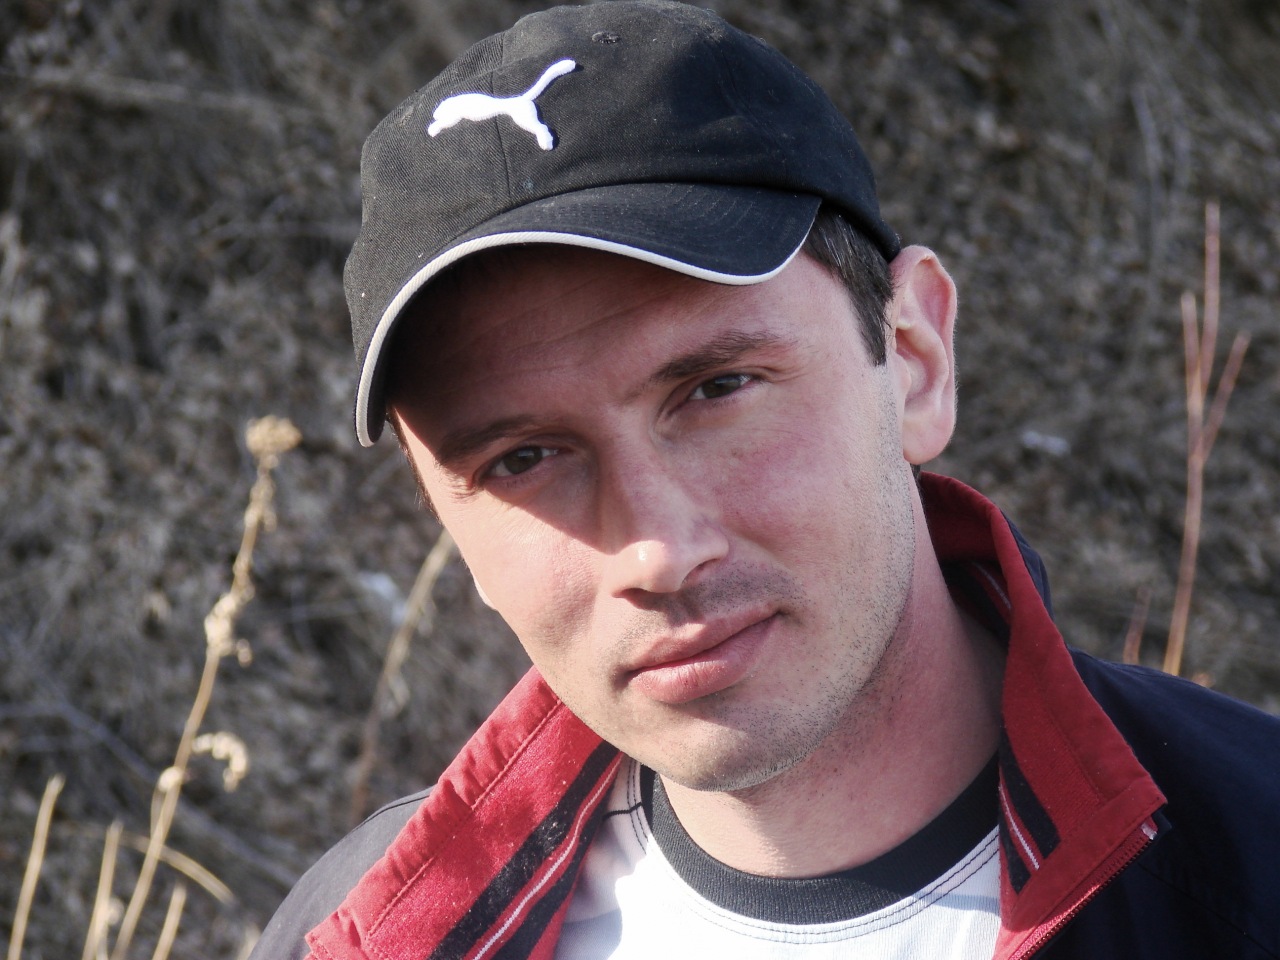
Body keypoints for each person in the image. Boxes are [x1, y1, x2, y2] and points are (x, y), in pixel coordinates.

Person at [251, 2, 1280, 958]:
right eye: (521, 458)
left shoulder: (1249, 868)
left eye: (715, 389)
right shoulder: (356, 930)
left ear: (914, 359)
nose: (657, 550)